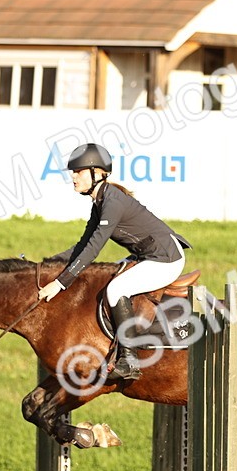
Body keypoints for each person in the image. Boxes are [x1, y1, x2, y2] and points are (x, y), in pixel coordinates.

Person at [40, 143, 192, 381]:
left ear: (97, 173)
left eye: (78, 171)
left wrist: (60, 283)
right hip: (148, 256)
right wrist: (47, 265)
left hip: (166, 260)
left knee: (116, 289)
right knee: (105, 279)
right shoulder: (100, 201)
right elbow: (82, 245)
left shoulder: (113, 202)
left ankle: (129, 360)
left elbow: (93, 249)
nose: (73, 177)